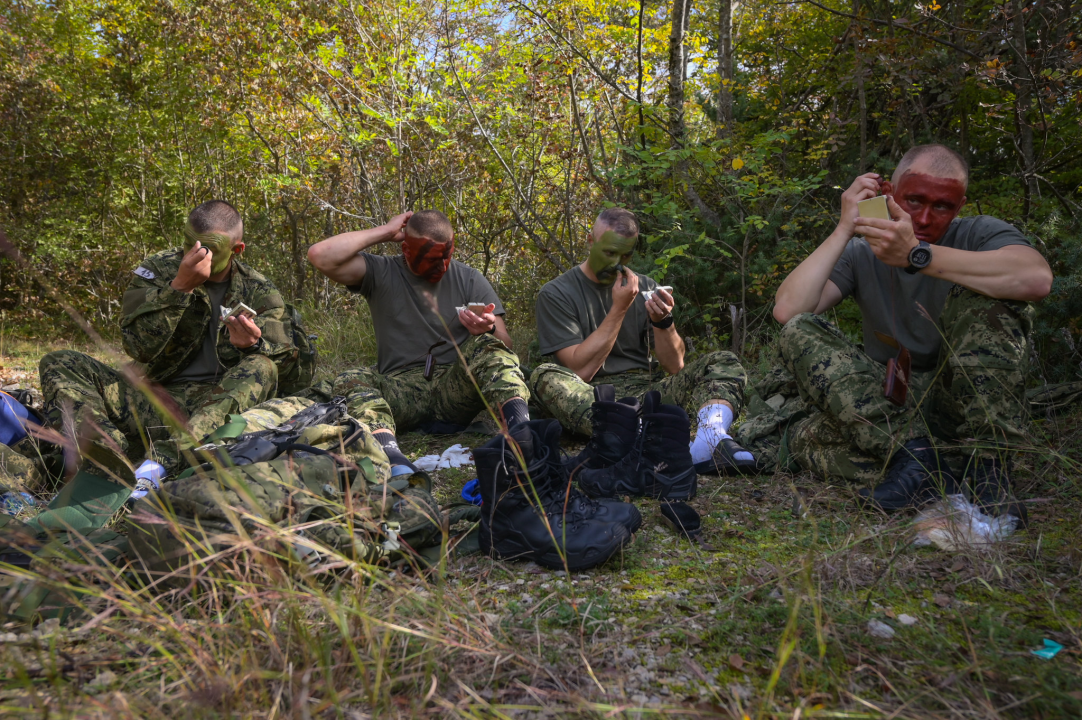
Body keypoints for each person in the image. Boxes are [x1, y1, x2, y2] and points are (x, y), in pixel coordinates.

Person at [770, 144, 1053, 523]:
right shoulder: (861, 252)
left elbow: (1036, 280)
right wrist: (845, 226)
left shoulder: (980, 234)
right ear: (890, 194)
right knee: (802, 347)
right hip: (889, 410)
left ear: (960, 205)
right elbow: (789, 310)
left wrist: (918, 255)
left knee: (995, 302)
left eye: (942, 206)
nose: (923, 217)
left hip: (962, 402)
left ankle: (989, 469)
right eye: (914, 200)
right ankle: (922, 462)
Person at [38, 199, 309, 483]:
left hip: (215, 409)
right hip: (151, 401)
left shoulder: (260, 290)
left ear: (236, 250)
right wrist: (179, 288)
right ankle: (106, 454)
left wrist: (252, 346)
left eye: (208, 247)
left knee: (262, 365)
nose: (194, 252)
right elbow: (137, 348)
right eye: (188, 242)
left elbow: (287, 376)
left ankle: (158, 465)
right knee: (59, 361)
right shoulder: (158, 270)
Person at [530, 207, 757, 475]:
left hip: (646, 393)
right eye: (609, 253)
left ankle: (710, 439)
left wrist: (664, 322)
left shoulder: (644, 286)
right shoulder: (556, 293)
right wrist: (619, 309)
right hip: (593, 399)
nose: (617, 263)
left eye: (626, 255)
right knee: (544, 376)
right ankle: (647, 437)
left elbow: (675, 367)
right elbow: (580, 371)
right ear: (590, 241)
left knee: (723, 360)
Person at [307, 209, 531, 475]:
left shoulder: (469, 278)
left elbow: (505, 344)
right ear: (406, 250)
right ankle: (393, 458)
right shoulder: (381, 271)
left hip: (454, 390)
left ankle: (523, 437)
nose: (442, 267)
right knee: (352, 378)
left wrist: (488, 328)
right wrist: (384, 232)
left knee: (488, 347)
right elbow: (320, 256)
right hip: (401, 392)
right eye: (433, 260)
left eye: (446, 257)